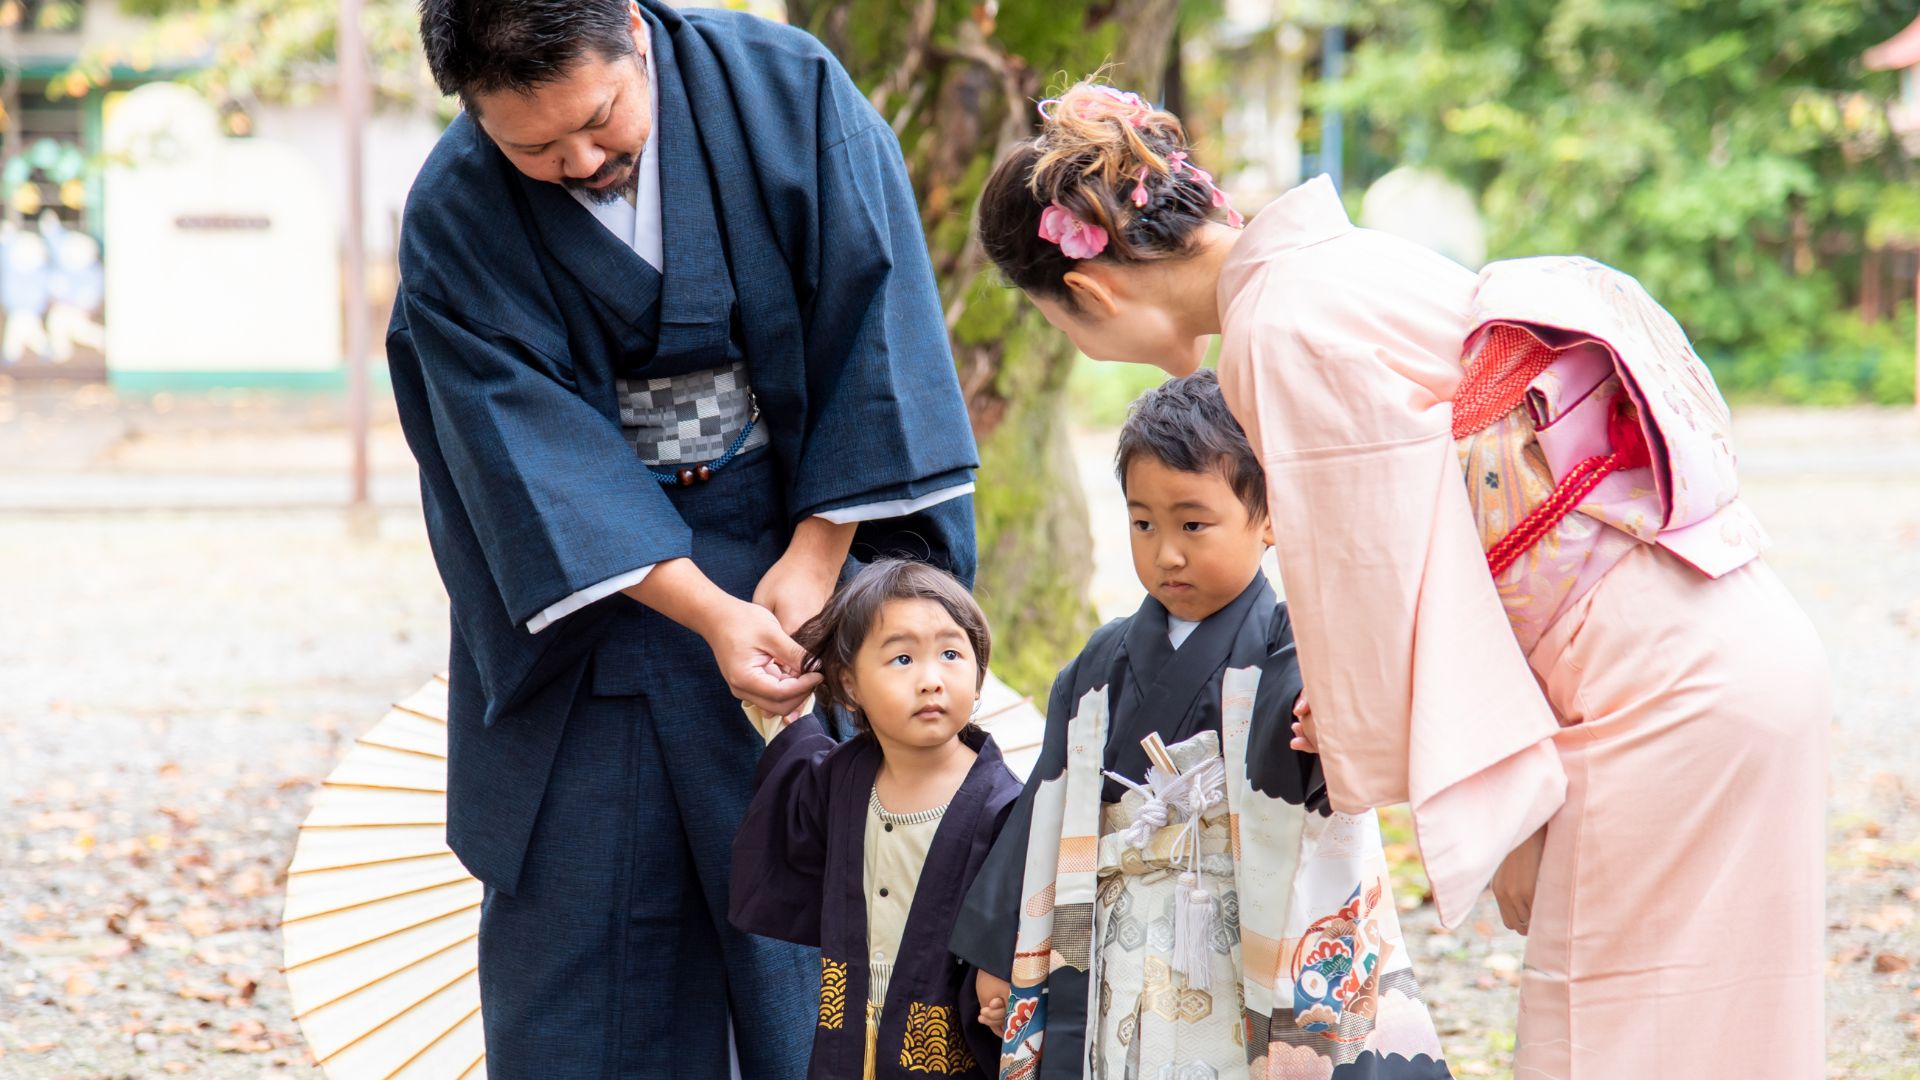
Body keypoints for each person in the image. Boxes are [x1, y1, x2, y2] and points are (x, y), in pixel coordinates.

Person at [969, 78, 1829, 1079]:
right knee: (1731, 1032)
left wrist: (1491, 810)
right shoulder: (1341, 264)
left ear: (1092, 291)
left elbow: (1384, 579)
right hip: (1726, 635)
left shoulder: (1276, 327)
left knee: (1610, 1037)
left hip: (1653, 699)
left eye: (1061, 327)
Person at [387, 1, 979, 1075]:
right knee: (587, 946)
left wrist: (817, 558)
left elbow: (875, 329)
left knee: (841, 929)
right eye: (533, 146)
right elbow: (516, 443)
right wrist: (706, 609)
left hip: (814, 576)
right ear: (475, 114)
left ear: (632, 27)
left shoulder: (787, 93)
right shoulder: (456, 209)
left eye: (599, 120)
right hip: (602, 615)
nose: (577, 160)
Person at [951, 371, 1450, 1079]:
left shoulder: (1301, 652)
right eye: (1143, 522)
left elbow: (1348, 778)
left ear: (1271, 516)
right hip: (1117, 945)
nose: (1166, 552)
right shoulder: (1099, 664)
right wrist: (1001, 951)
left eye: (1193, 523)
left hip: (1243, 942)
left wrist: (1342, 729)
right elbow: (1045, 808)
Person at [731, 559, 1022, 1079]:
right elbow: (795, 773)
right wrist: (783, 708)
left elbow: (1019, 917)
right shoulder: (841, 779)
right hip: (849, 1017)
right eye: (903, 658)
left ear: (979, 676)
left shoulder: (1005, 807)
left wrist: (1001, 976)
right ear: (849, 685)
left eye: (952, 654)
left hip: (938, 1030)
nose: (931, 679)